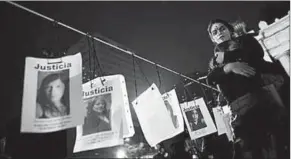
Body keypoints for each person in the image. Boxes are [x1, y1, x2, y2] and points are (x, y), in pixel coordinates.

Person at [206, 19, 288, 159]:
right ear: (213, 38)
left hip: (262, 101)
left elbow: (255, 56)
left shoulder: (245, 41)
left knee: (275, 146)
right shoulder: (215, 61)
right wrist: (229, 67)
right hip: (240, 113)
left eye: (222, 28)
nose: (219, 32)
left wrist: (227, 57)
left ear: (230, 30)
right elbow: (211, 79)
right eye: (215, 32)